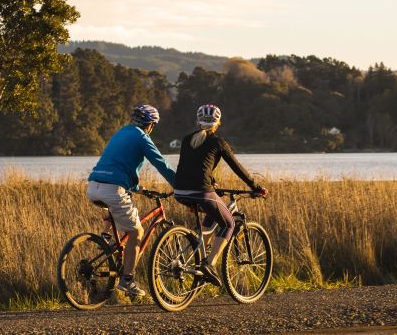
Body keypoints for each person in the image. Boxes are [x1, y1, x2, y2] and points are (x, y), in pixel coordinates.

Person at [172, 104, 267, 286]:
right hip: (200, 191)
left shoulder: (186, 140)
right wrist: (255, 187)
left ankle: (198, 256)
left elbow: (193, 165)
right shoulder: (218, 142)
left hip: (180, 191)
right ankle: (209, 264)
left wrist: (212, 180)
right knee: (229, 223)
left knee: (211, 216)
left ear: (197, 121)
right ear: (218, 123)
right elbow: (237, 167)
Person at [86, 104, 176, 296]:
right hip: (112, 190)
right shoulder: (142, 137)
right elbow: (161, 163)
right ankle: (127, 281)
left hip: (93, 186)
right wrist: (179, 183)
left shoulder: (121, 132)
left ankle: (111, 253)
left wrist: (137, 188)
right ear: (150, 124)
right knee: (136, 232)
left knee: (122, 228)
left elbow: (118, 163)